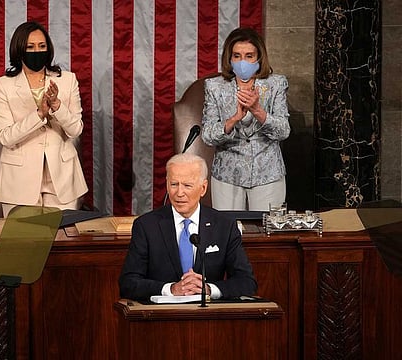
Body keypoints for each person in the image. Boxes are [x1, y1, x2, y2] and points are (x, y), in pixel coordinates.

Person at [119, 153, 257, 301]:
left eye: (187, 185)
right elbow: (128, 283)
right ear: (166, 184)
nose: (179, 193)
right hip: (161, 316)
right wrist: (171, 289)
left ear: (203, 188)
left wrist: (208, 289)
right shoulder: (146, 226)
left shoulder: (224, 226)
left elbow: (247, 282)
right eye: (174, 184)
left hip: (209, 316)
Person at [0, 21, 88, 217]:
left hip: (62, 180)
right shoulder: (3, 85)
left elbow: (75, 130)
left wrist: (57, 107)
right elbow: (6, 137)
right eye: (30, 47)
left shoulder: (67, 80)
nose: (37, 51)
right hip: (19, 182)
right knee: (26, 244)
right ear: (19, 50)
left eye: (42, 46)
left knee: (61, 243)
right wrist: (39, 115)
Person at [201, 27, 290, 211]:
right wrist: (233, 119)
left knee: (267, 234)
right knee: (229, 234)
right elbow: (208, 135)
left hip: (268, 172)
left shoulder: (276, 84)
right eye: (237, 56)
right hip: (227, 175)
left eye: (249, 56)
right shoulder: (215, 87)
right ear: (229, 58)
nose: (243, 62)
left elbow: (283, 131)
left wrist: (258, 111)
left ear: (259, 58)